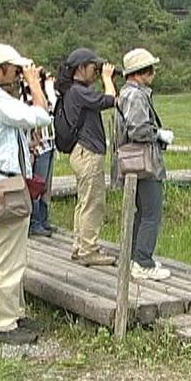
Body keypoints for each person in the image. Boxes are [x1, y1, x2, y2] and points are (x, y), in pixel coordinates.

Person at [0, 43, 52, 345]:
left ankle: (13, 313)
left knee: (13, 254)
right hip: (7, 185)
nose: (18, 75)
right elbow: (41, 116)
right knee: (6, 257)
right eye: (14, 70)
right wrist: (34, 84)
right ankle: (1, 324)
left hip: (1, 182)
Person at [116, 48, 174, 280]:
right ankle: (143, 262)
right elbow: (138, 129)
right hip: (145, 164)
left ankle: (134, 258)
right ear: (141, 72)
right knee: (151, 213)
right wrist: (158, 134)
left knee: (140, 212)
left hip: (135, 164)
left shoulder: (127, 93)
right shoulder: (136, 95)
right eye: (150, 69)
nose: (153, 74)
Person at [57, 48, 117, 266]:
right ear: (81, 68)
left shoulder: (74, 91)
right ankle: (88, 250)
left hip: (81, 152)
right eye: (94, 68)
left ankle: (80, 246)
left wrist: (103, 77)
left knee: (84, 201)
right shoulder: (78, 91)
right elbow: (110, 100)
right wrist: (108, 78)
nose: (96, 72)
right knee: (93, 202)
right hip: (88, 152)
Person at [20, 71, 58, 237]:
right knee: (37, 183)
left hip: (49, 143)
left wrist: (48, 85)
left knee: (45, 186)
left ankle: (43, 219)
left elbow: (54, 106)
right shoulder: (26, 96)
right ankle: (35, 222)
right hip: (38, 145)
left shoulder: (45, 94)